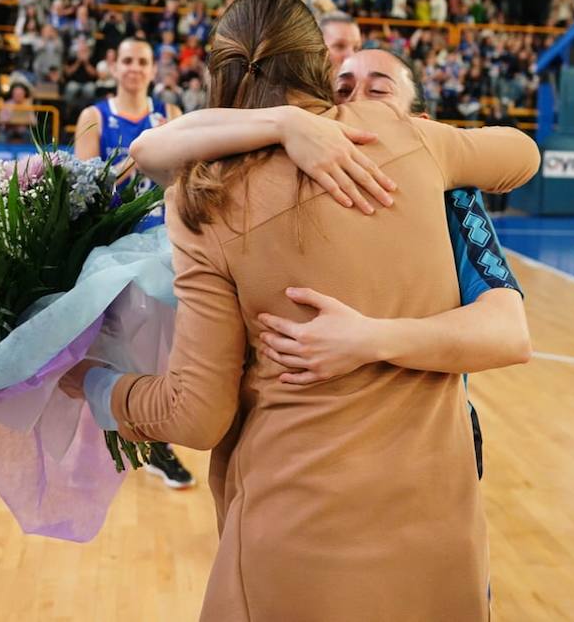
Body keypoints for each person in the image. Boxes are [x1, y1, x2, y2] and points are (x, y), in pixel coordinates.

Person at [65, 0, 537, 620]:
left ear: (221, 78)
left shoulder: (201, 199)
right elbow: (523, 154)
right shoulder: (411, 138)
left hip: (297, 530)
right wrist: (387, 130)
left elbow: (196, 415)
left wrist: (93, 385)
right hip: (438, 525)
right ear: (317, 63)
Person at [131, 45, 529, 481]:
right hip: (297, 459)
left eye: (377, 91)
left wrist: (372, 338)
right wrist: (286, 122)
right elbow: (150, 146)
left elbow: (508, 334)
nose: (354, 101)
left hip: (421, 449)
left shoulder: (451, 196)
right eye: (342, 89)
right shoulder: (273, 179)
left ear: (419, 124)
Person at [72, 37, 192, 489]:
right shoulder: (94, 116)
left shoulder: (170, 116)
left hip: (165, 243)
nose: (135, 68)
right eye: (127, 61)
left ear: (153, 69)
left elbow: (187, 180)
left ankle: (155, 437)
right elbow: (84, 188)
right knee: (119, 342)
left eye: (143, 61)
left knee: (165, 346)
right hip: (113, 246)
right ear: (113, 66)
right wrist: (133, 164)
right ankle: (123, 429)